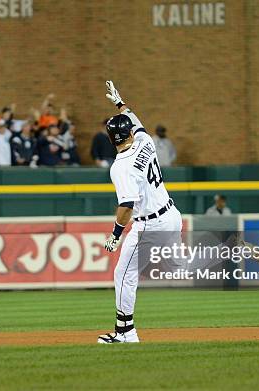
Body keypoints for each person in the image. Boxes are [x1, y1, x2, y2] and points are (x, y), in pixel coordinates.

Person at [98, 81, 182, 344]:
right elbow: (133, 120)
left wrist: (115, 234)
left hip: (150, 226)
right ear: (130, 133)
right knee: (181, 266)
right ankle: (226, 249)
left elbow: (127, 205)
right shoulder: (145, 140)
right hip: (170, 215)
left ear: (111, 140)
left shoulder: (120, 166)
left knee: (123, 274)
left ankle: (125, 333)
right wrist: (120, 103)